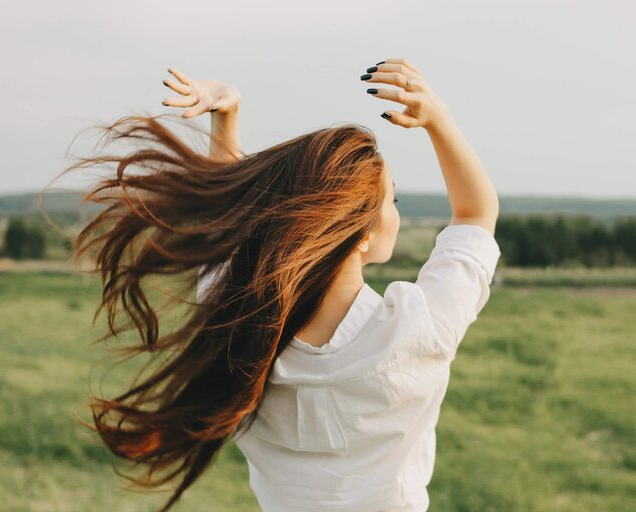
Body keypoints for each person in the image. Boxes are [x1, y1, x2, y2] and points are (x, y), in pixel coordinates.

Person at [65, 56, 501, 512]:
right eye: (391, 200)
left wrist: (226, 118)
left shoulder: (238, 329)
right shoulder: (418, 329)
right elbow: (475, 214)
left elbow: (229, 229)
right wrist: (439, 120)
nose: (396, 209)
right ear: (361, 232)